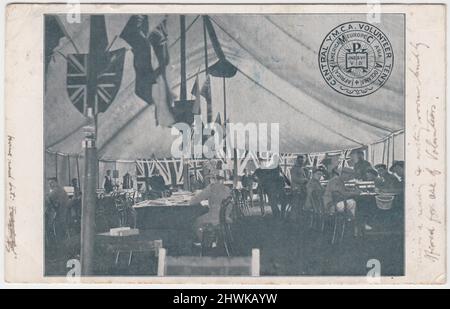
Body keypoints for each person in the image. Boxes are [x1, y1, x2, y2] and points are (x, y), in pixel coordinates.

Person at [190, 175, 233, 242]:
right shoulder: (227, 189)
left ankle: (204, 244)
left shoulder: (211, 188)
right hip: (225, 217)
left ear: (213, 179)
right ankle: (214, 241)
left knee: (196, 222)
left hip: (214, 218)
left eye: (210, 178)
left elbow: (193, 201)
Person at [45, 177, 69, 246]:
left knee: (52, 229)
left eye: (52, 183)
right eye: (49, 183)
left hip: (58, 214)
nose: (50, 185)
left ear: (56, 182)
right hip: (62, 213)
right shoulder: (61, 189)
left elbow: (47, 200)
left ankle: (55, 245)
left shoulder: (56, 190)